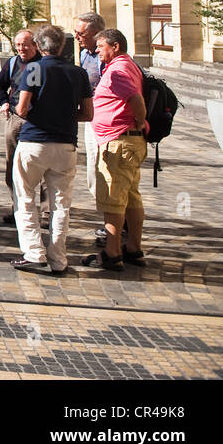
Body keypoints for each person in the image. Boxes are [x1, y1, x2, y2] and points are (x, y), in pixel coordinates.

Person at [10, 25, 94, 275]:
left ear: (39, 45)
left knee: (25, 198)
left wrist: (32, 113)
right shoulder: (78, 73)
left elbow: (22, 109)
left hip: (34, 141)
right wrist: (65, 116)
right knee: (61, 204)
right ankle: (58, 258)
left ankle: (34, 251)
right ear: (61, 46)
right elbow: (88, 113)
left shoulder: (34, 68)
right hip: (66, 143)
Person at [85, 28, 150, 271]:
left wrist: (139, 121)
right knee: (131, 197)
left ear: (115, 46)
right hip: (128, 142)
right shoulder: (128, 65)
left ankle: (112, 252)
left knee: (113, 199)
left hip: (119, 142)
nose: (97, 50)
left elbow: (136, 99)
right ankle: (133, 248)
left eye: (100, 46)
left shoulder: (119, 69)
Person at [0, 28, 39, 225]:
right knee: (12, 164)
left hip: (37, 119)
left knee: (40, 167)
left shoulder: (42, 64)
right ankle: (17, 207)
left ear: (35, 45)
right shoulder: (12, 63)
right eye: (18, 45)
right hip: (15, 118)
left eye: (25, 45)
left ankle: (44, 213)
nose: (21, 48)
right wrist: (3, 102)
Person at [72, 11, 106, 194]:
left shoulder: (107, 56)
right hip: (91, 116)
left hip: (107, 118)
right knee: (92, 158)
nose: (76, 37)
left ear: (97, 33)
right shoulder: (85, 54)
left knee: (104, 160)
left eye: (81, 34)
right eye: (76, 32)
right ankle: (100, 201)